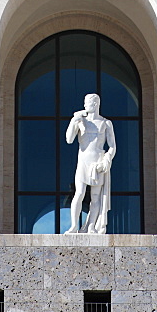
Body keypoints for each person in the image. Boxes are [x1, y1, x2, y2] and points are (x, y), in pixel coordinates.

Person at [64, 93, 116, 234]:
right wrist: (74, 120)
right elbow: (69, 139)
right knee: (79, 193)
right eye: (85, 103)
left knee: (95, 197)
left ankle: (91, 225)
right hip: (83, 161)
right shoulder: (81, 121)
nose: (85, 106)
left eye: (87, 103)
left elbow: (112, 146)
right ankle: (74, 226)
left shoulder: (105, 123)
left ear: (95, 104)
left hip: (97, 163)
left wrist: (107, 159)